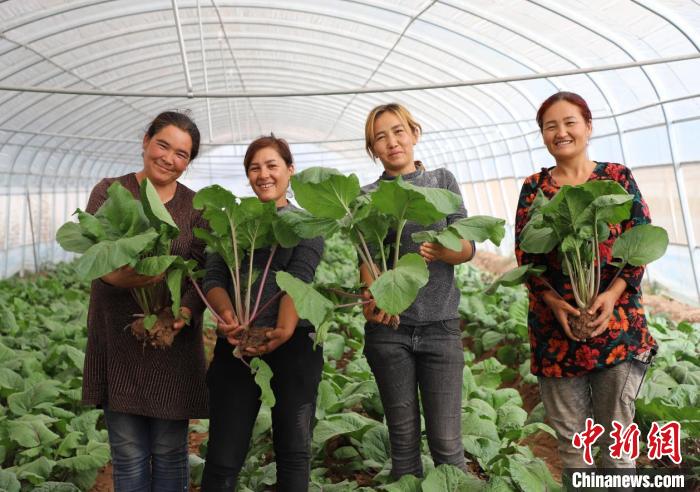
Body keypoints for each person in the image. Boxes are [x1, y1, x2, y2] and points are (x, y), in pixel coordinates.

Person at [514, 91, 657, 472]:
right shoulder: (534, 188)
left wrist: (610, 295)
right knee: (575, 450)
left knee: (617, 445)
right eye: (550, 126)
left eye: (569, 122)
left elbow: (639, 243)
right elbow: (527, 257)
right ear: (542, 134)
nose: (561, 132)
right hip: (556, 334)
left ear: (588, 127)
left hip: (617, 329)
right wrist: (557, 304)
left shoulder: (616, 178)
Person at [82, 110, 208, 491]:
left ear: (188, 162)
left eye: (182, 154)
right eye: (163, 145)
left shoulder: (197, 206)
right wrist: (148, 275)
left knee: (171, 451)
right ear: (145, 142)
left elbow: (203, 270)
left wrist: (182, 313)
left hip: (174, 341)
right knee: (128, 451)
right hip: (119, 337)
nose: (169, 158)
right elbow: (100, 261)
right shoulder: (111, 191)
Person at [201, 135, 324, 491]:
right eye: (255, 168)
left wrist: (283, 331)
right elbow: (214, 277)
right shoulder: (232, 222)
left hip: (294, 343)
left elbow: (299, 278)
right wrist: (228, 317)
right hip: (238, 342)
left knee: (293, 451)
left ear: (290, 170)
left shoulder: (306, 224)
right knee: (224, 455)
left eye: (272, 165)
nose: (263, 174)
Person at [359, 103, 474, 479]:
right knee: (403, 442)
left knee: (447, 444)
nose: (392, 142)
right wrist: (372, 298)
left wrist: (447, 251)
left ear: (414, 133)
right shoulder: (367, 194)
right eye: (381, 137)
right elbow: (366, 256)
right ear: (373, 148)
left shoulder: (441, 181)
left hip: (440, 327)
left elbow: (469, 245)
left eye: (398, 131)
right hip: (389, 330)